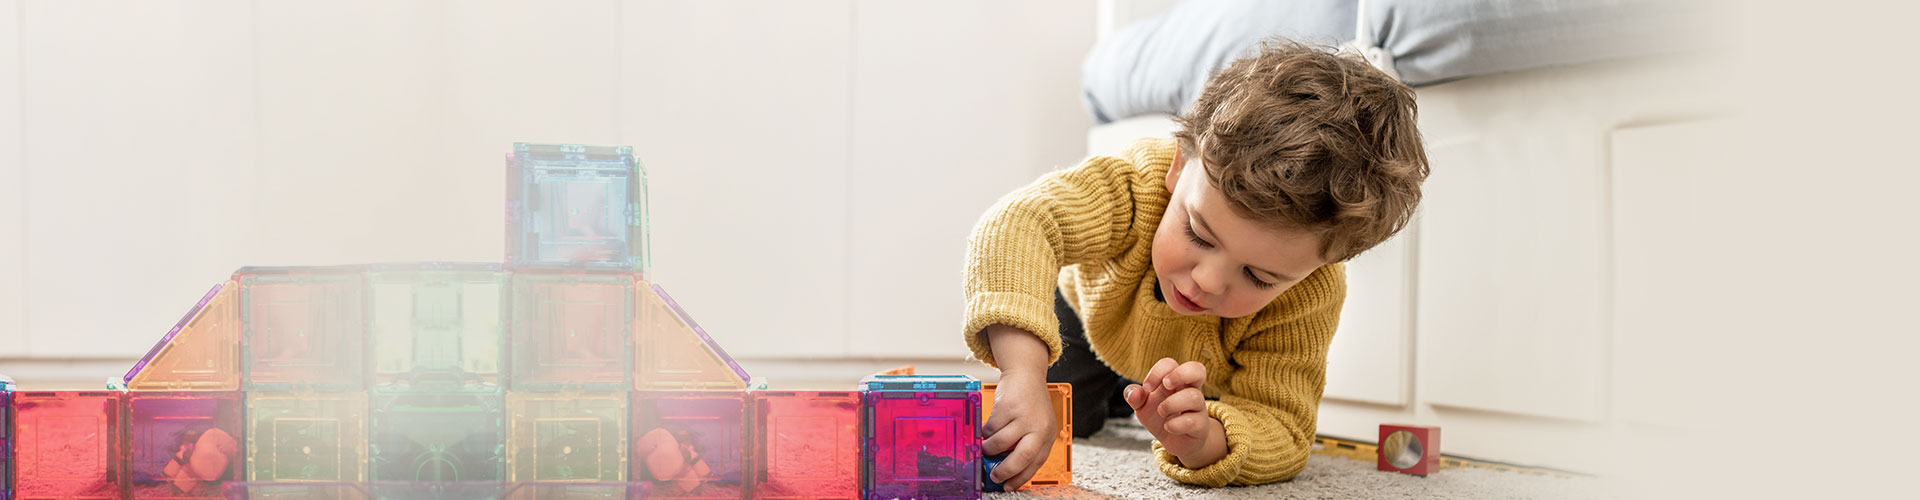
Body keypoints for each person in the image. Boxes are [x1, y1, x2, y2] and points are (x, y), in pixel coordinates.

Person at [965, 39, 1429, 488]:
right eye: (1197, 234)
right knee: (1063, 422)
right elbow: (1018, 222)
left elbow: (1284, 429)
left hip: (1198, 367)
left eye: (1258, 276)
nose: (1206, 281)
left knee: (1188, 412)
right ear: (1178, 166)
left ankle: (1157, 403)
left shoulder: (1311, 293)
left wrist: (1205, 440)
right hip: (1091, 317)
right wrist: (1022, 373)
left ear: (1321, 267)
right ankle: (1118, 398)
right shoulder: (1136, 181)